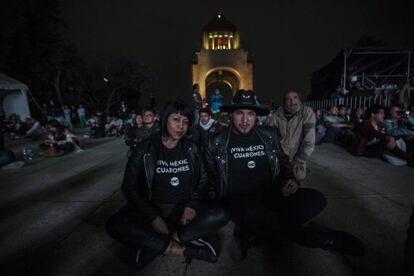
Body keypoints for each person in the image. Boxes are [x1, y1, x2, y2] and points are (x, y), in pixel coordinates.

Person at [205, 89, 364, 261]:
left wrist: (290, 178)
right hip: (242, 202)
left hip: (273, 195)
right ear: (230, 114)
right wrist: (217, 202)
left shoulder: (268, 135)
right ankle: (326, 239)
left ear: (256, 116)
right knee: (260, 216)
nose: (245, 120)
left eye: (250, 114)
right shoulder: (216, 142)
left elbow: (283, 162)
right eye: (239, 113)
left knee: (316, 198)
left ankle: (254, 234)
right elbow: (208, 176)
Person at [106, 100, 228, 268]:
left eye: (185, 122)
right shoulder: (145, 149)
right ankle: (183, 250)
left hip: (184, 211)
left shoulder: (192, 148)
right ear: (164, 120)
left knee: (222, 212)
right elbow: (129, 186)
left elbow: (204, 179)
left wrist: (192, 205)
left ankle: (157, 244)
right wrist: (153, 217)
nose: (181, 126)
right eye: (176, 119)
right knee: (115, 224)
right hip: (154, 208)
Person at [268, 90, 316, 181]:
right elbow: (270, 137)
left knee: (299, 176)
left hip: (296, 154)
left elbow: (309, 140)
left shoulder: (307, 112)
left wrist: (300, 159)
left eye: (295, 98)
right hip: (281, 155)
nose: (292, 102)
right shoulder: (276, 115)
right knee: (273, 174)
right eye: (288, 99)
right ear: (284, 102)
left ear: (300, 100)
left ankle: (303, 168)